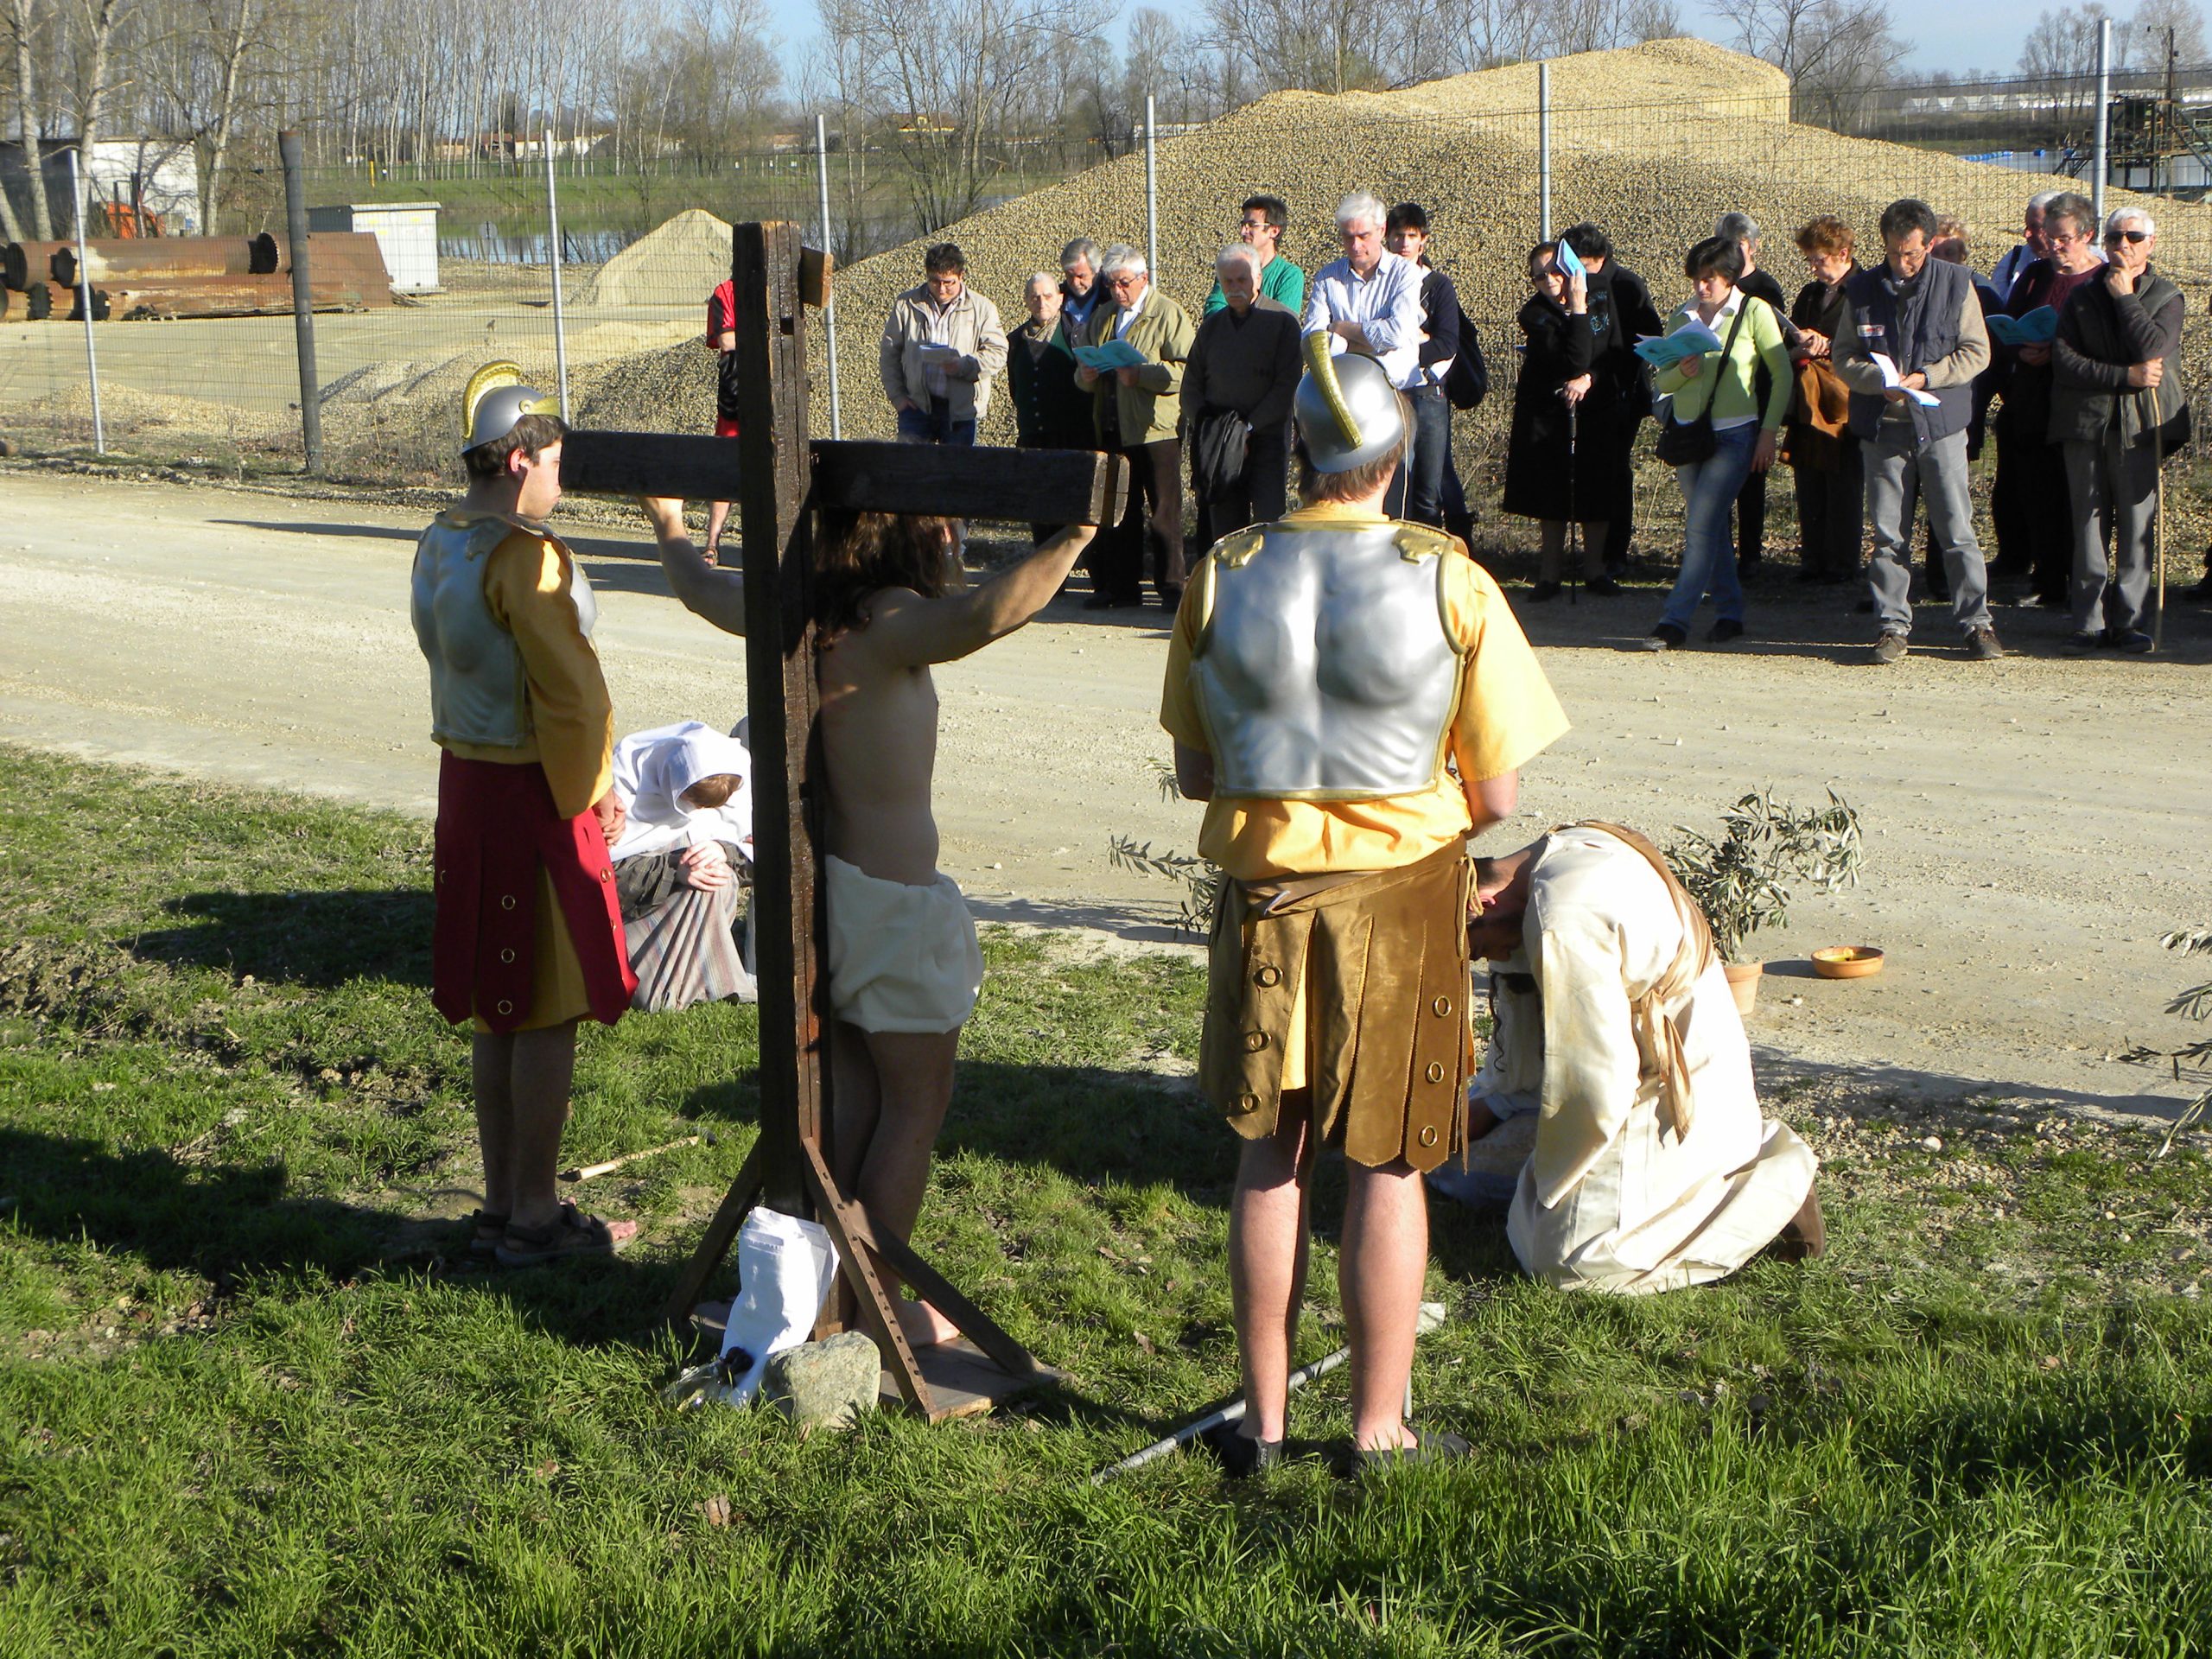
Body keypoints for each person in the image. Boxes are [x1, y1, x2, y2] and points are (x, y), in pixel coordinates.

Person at [1160, 343, 1569, 1473]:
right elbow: (1496, 796)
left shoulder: (1225, 568)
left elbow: (1202, 775)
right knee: (1388, 1167)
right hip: (1400, 900)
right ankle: (1379, 1432)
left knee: (1268, 1159)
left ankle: (1264, 1427)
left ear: (1299, 453)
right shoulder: (1448, 577)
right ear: (1395, 457)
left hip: (1266, 897)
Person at [640, 498, 1099, 1347]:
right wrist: (1075, 533)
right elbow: (986, 613)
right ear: (903, 533)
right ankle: (873, 1310)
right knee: (913, 1108)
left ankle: (830, 1302)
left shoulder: (797, 613)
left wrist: (669, 524)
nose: (953, 536)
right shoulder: (886, 620)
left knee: (851, 1106)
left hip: (828, 894)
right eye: (940, 522)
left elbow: (702, 587)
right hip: (890, 905)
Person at [410, 365, 639, 1267]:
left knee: (498, 1011)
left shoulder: (439, 539)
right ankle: (536, 1214)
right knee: (542, 1009)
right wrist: (594, 791)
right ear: (516, 460)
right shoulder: (523, 555)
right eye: (551, 460)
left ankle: (505, 1202)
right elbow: (572, 697)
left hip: (467, 785)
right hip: (533, 789)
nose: (559, 476)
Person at [1432, 822, 1823, 1293]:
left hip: (1667, 1083)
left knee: (1565, 1261)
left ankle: (1769, 1193)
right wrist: (1481, 1114)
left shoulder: (1563, 920)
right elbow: (1529, 1051)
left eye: (1478, 947)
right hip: (1634, 1066)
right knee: (1453, 1169)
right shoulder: (1555, 853)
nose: (1484, 958)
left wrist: (1546, 1188)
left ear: (1484, 904)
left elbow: (1591, 1081)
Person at [1834, 198, 2003, 664]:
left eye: (1910, 253)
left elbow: (1976, 352)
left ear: (1929, 245)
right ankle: (1892, 626)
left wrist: (1927, 378)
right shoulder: (1862, 289)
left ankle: (1976, 623)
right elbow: (1844, 356)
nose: (1901, 262)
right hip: (1883, 430)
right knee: (1889, 535)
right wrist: (1877, 383)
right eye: (1892, 252)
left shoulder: (1958, 285)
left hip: (1942, 428)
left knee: (1957, 530)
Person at [1643, 236, 1792, 651]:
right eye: (1696, 279)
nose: (1701, 287)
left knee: (1700, 527)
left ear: (1729, 278)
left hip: (1736, 433)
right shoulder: (1681, 316)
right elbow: (1664, 380)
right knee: (1709, 529)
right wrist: (1682, 372)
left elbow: (1781, 374)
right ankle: (1730, 613)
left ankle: (1674, 620)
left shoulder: (1755, 311)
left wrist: (1768, 432)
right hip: (1690, 434)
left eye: (1710, 279)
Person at [2050, 207, 2187, 654]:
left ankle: (2129, 621)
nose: (2121, 245)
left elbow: (2153, 348)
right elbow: (2065, 359)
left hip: (2140, 427)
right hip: (2086, 422)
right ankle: (2088, 621)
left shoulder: (2167, 295)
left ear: (2150, 243)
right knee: (2087, 523)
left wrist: (2126, 297)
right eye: (2113, 238)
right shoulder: (2081, 295)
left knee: (2135, 525)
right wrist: (2122, 376)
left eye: (2132, 237)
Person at [1992, 191, 2104, 606]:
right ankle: (2049, 580)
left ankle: (2086, 581)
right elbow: (2010, 323)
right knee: (2039, 494)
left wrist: (2056, 353)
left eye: (2064, 238)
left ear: (2087, 235)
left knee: (2080, 496)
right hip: (2033, 402)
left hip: (2079, 405)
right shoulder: (2036, 275)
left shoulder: (2102, 280)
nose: (2055, 246)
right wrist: (2017, 347)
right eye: (2050, 237)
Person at [1076, 244, 1194, 610]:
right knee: (1119, 513)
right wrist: (1086, 374)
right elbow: (1082, 378)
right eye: (1111, 284)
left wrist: (1141, 375)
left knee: (1163, 513)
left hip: (1154, 431)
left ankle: (1172, 587)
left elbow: (1187, 371)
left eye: (1124, 283)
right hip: (1112, 428)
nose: (1117, 291)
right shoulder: (1104, 317)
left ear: (1144, 278)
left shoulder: (1168, 314)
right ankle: (1122, 587)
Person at [608, 720, 756, 1013]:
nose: (698, 813)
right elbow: (603, 878)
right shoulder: (624, 785)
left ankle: (709, 977)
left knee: (718, 877)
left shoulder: (735, 776)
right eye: (692, 802)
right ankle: (662, 986)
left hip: (696, 894)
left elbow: (755, 851)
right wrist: (675, 869)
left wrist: (723, 850)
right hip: (636, 915)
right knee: (704, 880)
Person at [1502, 241, 1620, 600]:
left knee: (1596, 486)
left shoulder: (1600, 295)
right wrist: (1577, 311)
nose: (1550, 281)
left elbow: (1609, 348)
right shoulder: (1534, 315)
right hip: (1549, 408)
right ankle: (1549, 574)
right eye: (1540, 276)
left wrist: (1589, 379)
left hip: (1595, 403)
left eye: (1556, 272)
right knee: (1551, 489)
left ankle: (1595, 570)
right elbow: (1573, 358)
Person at [1304, 191, 1428, 516]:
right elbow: (1314, 338)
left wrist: (1343, 330)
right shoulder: (1327, 277)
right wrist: (1365, 339)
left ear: (1382, 230)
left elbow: (1397, 334)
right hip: (1342, 399)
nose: (1356, 245)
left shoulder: (1405, 274)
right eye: (1348, 237)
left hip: (1394, 394)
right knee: (1341, 492)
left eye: (1363, 236)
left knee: (1394, 489)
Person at [1181, 244, 1301, 556]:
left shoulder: (1283, 322)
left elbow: (1287, 385)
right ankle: (1229, 600)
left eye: (1242, 280)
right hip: (1220, 446)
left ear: (1258, 279)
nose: (1235, 288)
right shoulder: (1211, 328)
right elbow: (1190, 387)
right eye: (1228, 282)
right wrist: (1211, 428)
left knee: (1268, 527)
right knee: (1226, 535)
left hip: (1266, 440)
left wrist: (1247, 429)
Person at [1561, 223, 1665, 576]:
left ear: (1599, 259)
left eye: (1582, 264)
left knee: (1615, 471)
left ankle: (1614, 551)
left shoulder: (1627, 285)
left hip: (1620, 392)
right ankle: (1591, 551)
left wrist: (1607, 371)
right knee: (1586, 471)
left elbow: (1648, 338)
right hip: (1581, 390)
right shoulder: (1573, 284)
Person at [1715, 213, 1796, 577]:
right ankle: (1720, 552)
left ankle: (1750, 554)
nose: (1735, 252)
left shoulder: (1765, 288)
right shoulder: (1715, 286)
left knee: (1752, 477)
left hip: (1759, 389)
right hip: (1723, 395)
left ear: (1753, 246)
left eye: (1740, 246)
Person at [1786, 216, 1864, 585]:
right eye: (1810, 261)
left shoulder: (1864, 292)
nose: (1814, 267)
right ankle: (1813, 558)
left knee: (1843, 481)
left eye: (1819, 260)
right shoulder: (1810, 293)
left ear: (1843, 253)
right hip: (1808, 397)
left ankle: (1842, 562)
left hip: (1845, 401)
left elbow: (1870, 341)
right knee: (1809, 476)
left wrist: (1830, 345)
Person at [879, 241, 1007, 448]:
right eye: (935, 281)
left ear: (961, 276)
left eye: (948, 282)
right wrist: (898, 397)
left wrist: (964, 365)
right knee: (912, 474)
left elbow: (999, 352)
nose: (942, 288)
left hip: (961, 411)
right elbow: (889, 353)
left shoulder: (982, 308)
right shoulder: (906, 304)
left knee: (957, 476)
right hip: (916, 408)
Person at [1383, 200, 1465, 529]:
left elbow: (1446, 343)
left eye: (1411, 236)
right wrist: (1415, 337)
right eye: (1398, 235)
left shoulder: (1438, 286)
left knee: (1429, 489)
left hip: (1427, 392)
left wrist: (1401, 344)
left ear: (1423, 240)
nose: (1404, 244)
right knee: (1390, 486)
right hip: (1387, 392)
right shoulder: (1379, 284)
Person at [1005, 271, 1095, 544]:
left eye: (1047, 296)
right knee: (1038, 509)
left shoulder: (1077, 334)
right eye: (1034, 297)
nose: (1041, 302)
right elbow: (1015, 388)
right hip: (1032, 437)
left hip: (1071, 437)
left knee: (1071, 509)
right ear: (1026, 301)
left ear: (1060, 299)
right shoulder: (1015, 340)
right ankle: (1046, 582)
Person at [1203, 194, 1306, 317]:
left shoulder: (1289, 275)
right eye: (1243, 225)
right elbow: (1214, 309)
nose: (1243, 232)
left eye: (1252, 225)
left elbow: (1284, 322)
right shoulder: (1230, 267)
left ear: (1274, 231)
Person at [704, 276, 741, 563]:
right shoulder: (724, 292)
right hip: (735, 393)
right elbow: (726, 340)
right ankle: (712, 543)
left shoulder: (777, 286)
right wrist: (763, 334)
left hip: (772, 393)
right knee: (724, 467)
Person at [1990, 190, 2058, 302]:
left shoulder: (2091, 264)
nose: (2026, 234)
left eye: (2035, 227)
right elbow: (1997, 306)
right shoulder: (2013, 260)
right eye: (2026, 227)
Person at [1059, 238, 1106, 340]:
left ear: (1096, 270)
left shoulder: (1111, 299)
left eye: (1081, 276)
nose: (1075, 283)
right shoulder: (1057, 298)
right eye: (1070, 276)